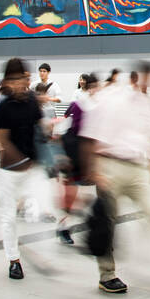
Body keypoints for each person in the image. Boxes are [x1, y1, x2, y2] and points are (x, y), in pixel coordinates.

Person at [80, 62, 150, 293]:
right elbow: (90, 134)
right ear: (133, 79)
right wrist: (95, 170)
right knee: (108, 222)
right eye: (145, 79)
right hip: (110, 165)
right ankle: (107, 275)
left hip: (136, 168)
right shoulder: (112, 99)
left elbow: (147, 132)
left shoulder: (145, 103)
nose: (148, 85)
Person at [0, 58, 48, 280]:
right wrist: (21, 161)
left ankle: (34, 251)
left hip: (31, 166)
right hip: (10, 170)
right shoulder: (3, 106)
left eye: (22, 78)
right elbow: (2, 140)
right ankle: (13, 259)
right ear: (7, 81)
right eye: (14, 79)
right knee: (9, 217)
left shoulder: (33, 101)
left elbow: (39, 129)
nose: (19, 84)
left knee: (39, 208)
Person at [56, 73, 98, 245]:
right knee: (71, 194)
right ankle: (63, 227)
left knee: (86, 194)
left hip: (86, 155)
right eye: (95, 87)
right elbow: (66, 125)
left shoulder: (97, 107)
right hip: (73, 152)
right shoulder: (78, 104)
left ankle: (88, 226)